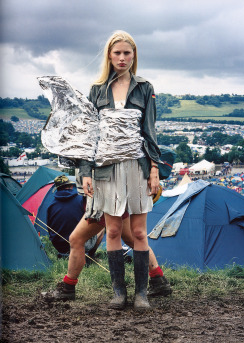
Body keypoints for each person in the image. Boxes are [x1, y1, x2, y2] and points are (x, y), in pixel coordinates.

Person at [79, 30, 162, 311]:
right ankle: (118, 293)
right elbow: (88, 136)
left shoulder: (145, 87)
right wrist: (85, 172)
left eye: (128, 52)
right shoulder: (96, 91)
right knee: (113, 230)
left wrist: (154, 170)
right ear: (109, 56)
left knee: (139, 233)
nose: (123, 58)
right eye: (117, 53)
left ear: (134, 55)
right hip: (106, 170)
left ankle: (141, 294)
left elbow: (149, 133)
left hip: (137, 167)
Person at [43, 172, 172, 302]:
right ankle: (158, 280)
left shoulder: (54, 202)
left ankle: (68, 288)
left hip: (104, 194)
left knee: (77, 239)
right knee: (132, 239)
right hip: (117, 191)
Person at [47, 175, 104, 258]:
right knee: (101, 228)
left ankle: (65, 255)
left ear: (57, 189)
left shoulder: (51, 206)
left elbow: (49, 229)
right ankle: (91, 256)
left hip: (59, 246)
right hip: (79, 243)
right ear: (70, 186)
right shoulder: (81, 199)